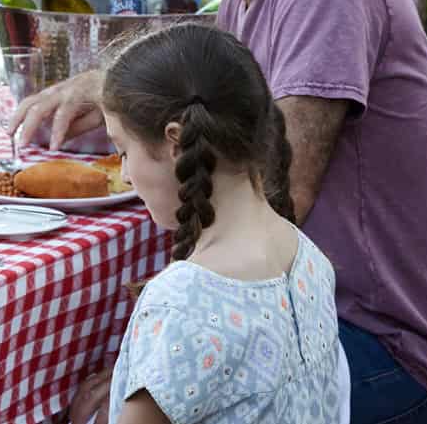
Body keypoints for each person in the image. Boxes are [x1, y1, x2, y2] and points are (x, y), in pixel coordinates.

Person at [14, 0, 427, 423]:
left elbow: (283, 195)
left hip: (393, 346)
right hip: (310, 313)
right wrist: (103, 81)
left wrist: (144, 369)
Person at [97, 23, 340, 423]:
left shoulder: (181, 305)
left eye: (123, 150)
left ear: (175, 142)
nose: (124, 174)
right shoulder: (310, 260)